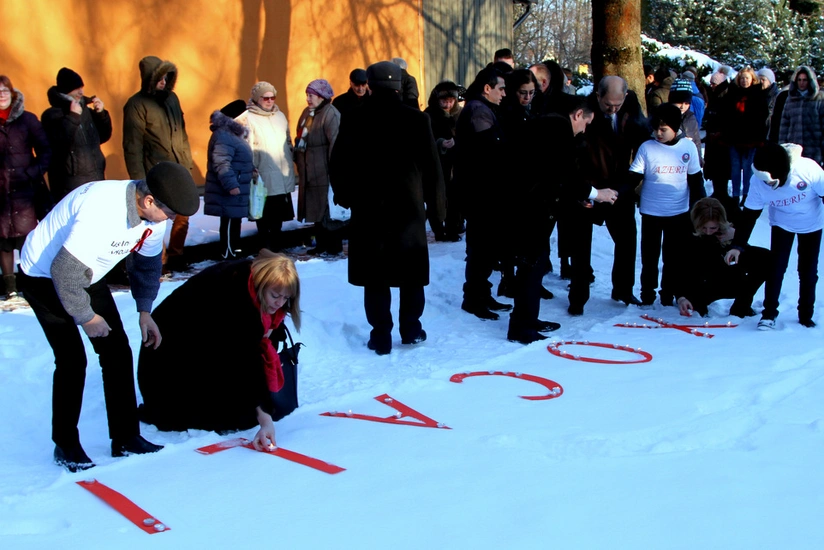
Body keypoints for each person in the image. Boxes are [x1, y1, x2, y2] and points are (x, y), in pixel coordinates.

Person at [18, 162, 200, 472]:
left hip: (86, 272)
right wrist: (86, 317)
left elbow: (146, 265)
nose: (170, 220)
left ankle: (126, 438)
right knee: (72, 359)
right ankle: (66, 444)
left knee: (117, 350)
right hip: (42, 275)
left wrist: (145, 310)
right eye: (169, 213)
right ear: (149, 201)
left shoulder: (153, 216)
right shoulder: (102, 211)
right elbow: (63, 271)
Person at [330, 60, 445, 355]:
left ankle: (380, 335)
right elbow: (433, 169)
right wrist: (438, 210)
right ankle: (411, 329)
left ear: (370, 84)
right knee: (410, 275)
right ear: (398, 85)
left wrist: (345, 196)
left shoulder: (355, 117)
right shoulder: (417, 120)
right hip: (407, 211)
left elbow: (339, 163)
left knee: (375, 277)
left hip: (369, 211)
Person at [138, 251, 300, 447]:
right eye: (275, 296)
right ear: (261, 285)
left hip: (200, 342)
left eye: (286, 298)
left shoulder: (252, 282)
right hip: (169, 361)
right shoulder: (236, 297)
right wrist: (265, 419)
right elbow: (243, 360)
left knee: (246, 404)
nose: (280, 303)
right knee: (239, 416)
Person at [508, 95, 617, 343]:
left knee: (535, 263)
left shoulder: (547, 125)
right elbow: (561, 173)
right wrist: (596, 193)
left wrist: (577, 196)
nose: (583, 131)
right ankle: (521, 327)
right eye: (586, 124)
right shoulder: (557, 128)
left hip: (533, 204)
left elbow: (555, 176)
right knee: (531, 264)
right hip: (529, 207)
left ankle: (527, 319)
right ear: (579, 114)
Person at [730, 143, 824, 330]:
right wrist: (737, 245)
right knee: (776, 268)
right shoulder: (758, 182)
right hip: (782, 224)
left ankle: (806, 315)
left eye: (771, 182)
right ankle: (769, 313)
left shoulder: (808, 169)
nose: (767, 185)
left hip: (811, 224)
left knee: (807, 271)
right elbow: (749, 215)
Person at [574, 76, 648, 310]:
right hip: (590, 186)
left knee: (627, 241)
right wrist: (584, 191)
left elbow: (642, 148)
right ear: (598, 96)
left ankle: (623, 290)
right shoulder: (585, 110)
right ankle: (578, 297)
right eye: (608, 105)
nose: (613, 109)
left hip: (619, 186)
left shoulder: (631, 110)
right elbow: (575, 153)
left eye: (618, 104)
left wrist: (626, 187)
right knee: (581, 245)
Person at [628, 104, 705, 307]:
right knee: (649, 257)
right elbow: (633, 177)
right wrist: (617, 192)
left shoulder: (687, 148)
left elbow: (696, 181)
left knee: (673, 257)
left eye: (663, 129)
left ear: (675, 127)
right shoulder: (647, 148)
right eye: (656, 129)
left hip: (678, 212)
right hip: (651, 212)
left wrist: (702, 208)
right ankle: (647, 294)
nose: (658, 133)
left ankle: (668, 293)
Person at [123, 56, 194, 273]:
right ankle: (159, 261)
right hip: (156, 173)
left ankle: (176, 256)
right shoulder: (136, 105)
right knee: (157, 220)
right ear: (147, 78)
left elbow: (181, 133)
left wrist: (187, 162)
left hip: (179, 168)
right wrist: (139, 179)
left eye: (166, 77)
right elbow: (132, 145)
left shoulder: (172, 99)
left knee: (183, 215)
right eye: (159, 78)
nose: (163, 82)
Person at [455, 66, 513, 321]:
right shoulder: (478, 110)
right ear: (487, 88)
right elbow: (490, 149)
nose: (504, 93)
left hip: (482, 190)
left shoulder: (483, 109)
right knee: (480, 248)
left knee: (484, 248)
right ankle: (474, 298)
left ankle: (481, 293)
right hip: (480, 192)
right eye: (501, 88)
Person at [0, 76, 51, 301]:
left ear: (12, 93)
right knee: (3, 241)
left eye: (4, 90)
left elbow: (45, 151)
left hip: (24, 191)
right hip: (1, 191)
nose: (1, 95)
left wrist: (31, 173)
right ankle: (9, 286)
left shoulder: (27, 120)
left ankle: (30, 281)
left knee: (26, 238)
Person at [676, 197, 768, 318]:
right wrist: (681, 296)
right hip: (701, 282)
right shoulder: (685, 230)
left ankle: (741, 306)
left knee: (766, 258)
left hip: (730, 277)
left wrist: (735, 238)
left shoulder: (731, 222)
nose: (708, 232)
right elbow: (676, 265)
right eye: (704, 228)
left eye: (713, 228)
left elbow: (746, 244)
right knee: (695, 307)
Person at [236, 82, 296, 252]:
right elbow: (248, 145)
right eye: (266, 98)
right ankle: (265, 246)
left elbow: (288, 139)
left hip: (281, 171)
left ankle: (276, 244)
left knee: (279, 212)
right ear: (257, 99)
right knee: (263, 212)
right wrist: (251, 167)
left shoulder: (280, 116)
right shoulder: (248, 118)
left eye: (272, 97)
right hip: (263, 171)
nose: (270, 101)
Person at [41, 68, 112, 202]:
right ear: (66, 90)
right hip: (70, 185)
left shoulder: (86, 110)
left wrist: (101, 115)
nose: (81, 92)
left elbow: (104, 136)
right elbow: (59, 144)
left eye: (82, 87)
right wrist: (73, 117)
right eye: (76, 88)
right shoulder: (51, 115)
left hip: (96, 178)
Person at [295, 79, 342, 256]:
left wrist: (333, 170)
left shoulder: (331, 114)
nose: (308, 99)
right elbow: (299, 137)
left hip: (324, 170)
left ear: (322, 96)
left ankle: (334, 246)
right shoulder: (308, 113)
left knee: (328, 212)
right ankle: (321, 244)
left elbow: (335, 143)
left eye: (311, 95)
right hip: (310, 171)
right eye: (307, 95)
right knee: (315, 211)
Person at [204, 100, 254, 259]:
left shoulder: (232, 134)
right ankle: (228, 252)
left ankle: (234, 250)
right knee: (229, 221)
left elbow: (237, 158)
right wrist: (231, 184)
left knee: (235, 219)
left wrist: (250, 169)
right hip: (230, 187)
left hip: (237, 184)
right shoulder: (224, 135)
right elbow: (221, 162)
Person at [721, 67, 769, 205]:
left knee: (748, 170)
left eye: (747, 78)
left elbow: (762, 118)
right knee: (735, 168)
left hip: (751, 138)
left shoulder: (758, 95)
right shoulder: (732, 94)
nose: (744, 81)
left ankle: (747, 194)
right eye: (742, 78)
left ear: (752, 79)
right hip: (734, 138)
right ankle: (736, 194)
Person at [424, 80, 462, 242]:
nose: (447, 104)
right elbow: (425, 139)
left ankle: (453, 229)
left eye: (450, 101)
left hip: (456, 164)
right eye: (443, 101)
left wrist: (457, 141)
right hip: (436, 164)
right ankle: (439, 230)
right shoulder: (429, 115)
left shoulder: (460, 114)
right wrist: (440, 143)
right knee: (436, 198)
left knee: (455, 198)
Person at [778, 66, 824, 167]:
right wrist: (782, 146)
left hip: (814, 147)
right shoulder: (791, 99)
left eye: (804, 80)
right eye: (799, 80)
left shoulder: (819, 99)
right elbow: (784, 125)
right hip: (794, 147)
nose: (801, 82)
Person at [668, 78, 703, 165]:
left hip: (688, 162)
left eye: (686, 103)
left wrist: (698, 161)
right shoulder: (665, 116)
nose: (682, 106)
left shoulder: (691, 117)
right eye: (679, 102)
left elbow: (697, 141)